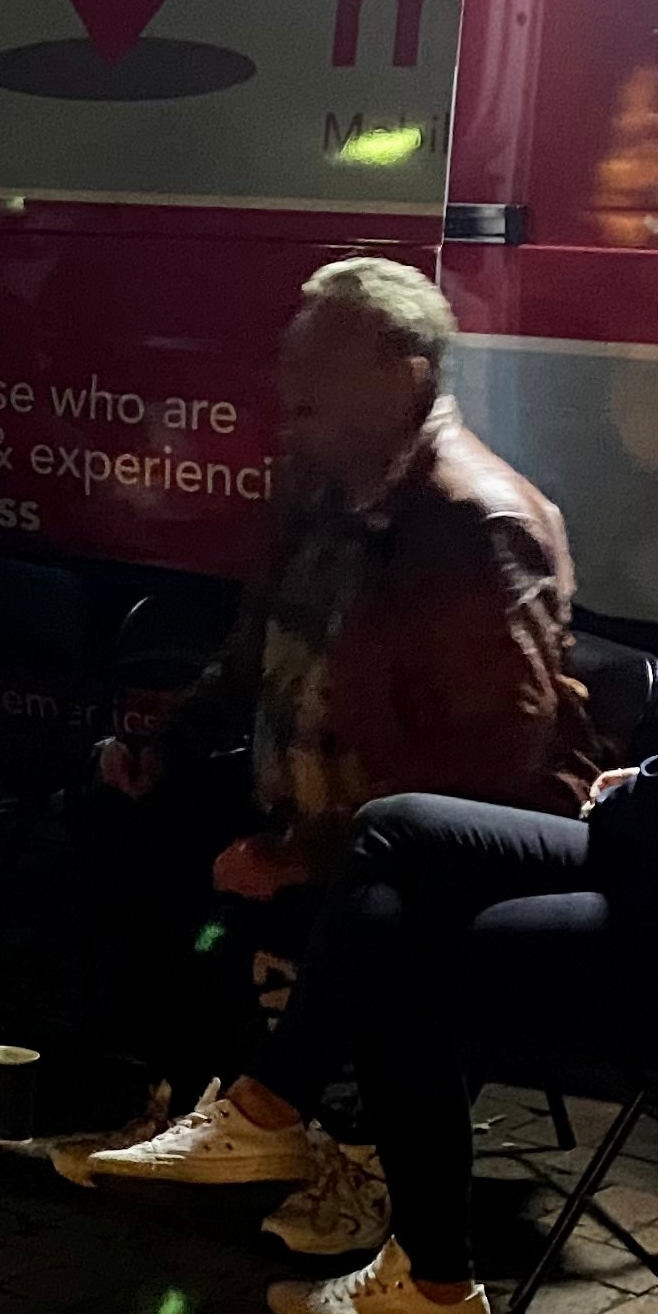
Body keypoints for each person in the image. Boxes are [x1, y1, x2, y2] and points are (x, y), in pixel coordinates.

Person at [102, 330, 658, 1314]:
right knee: (393, 831)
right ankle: (272, 1112)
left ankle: (421, 1272)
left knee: (408, 946)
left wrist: (641, 801)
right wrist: (647, 785)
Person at [78, 257, 597, 1253]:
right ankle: (196, 1102)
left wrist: (309, 848)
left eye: (316, 357)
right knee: (119, 822)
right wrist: (167, 739)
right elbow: (256, 647)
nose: (286, 378)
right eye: (289, 352)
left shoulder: (469, 523)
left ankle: (356, 1156)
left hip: (397, 839)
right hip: (304, 798)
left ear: (403, 374)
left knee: (362, 913)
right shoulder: (317, 488)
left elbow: (502, 759)